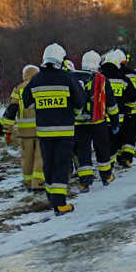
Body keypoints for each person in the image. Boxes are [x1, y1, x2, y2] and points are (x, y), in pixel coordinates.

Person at [22, 43, 86, 216]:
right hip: (64, 130)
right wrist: (74, 113)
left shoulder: (36, 79)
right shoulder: (67, 78)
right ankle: (59, 203)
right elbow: (80, 101)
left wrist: (42, 108)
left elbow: (26, 101)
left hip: (44, 131)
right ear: (61, 59)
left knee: (48, 164)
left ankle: (51, 196)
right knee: (62, 165)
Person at [74, 51, 120, 192]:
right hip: (98, 121)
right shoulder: (102, 79)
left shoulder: (73, 77)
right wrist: (115, 122)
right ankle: (106, 176)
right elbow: (111, 103)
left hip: (79, 123)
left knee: (82, 151)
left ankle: (84, 182)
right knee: (102, 149)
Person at [0, 64, 44, 193]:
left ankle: (28, 183)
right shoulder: (41, 86)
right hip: (41, 130)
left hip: (24, 132)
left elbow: (11, 110)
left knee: (27, 159)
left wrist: (7, 130)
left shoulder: (18, 89)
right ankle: (39, 183)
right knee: (40, 157)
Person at [100, 50, 136, 168]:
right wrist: (128, 109)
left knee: (103, 142)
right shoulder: (123, 79)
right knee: (114, 140)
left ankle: (107, 163)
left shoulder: (98, 78)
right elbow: (133, 98)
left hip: (99, 117)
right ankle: (111, 163)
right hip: (118, 118)